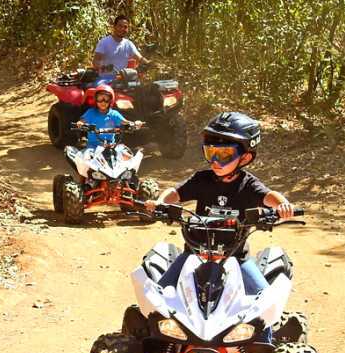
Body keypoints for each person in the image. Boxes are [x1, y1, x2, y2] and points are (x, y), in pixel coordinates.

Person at [145, 111, 294, 294]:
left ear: (245, 158)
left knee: (265, 302)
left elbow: (270, 196)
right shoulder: (201, 179)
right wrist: (161, 202)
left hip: (237, 257)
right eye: (211, 152)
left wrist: (283, 206)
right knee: (157, 295)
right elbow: (175, 192)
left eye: (224, 154)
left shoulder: (248, 184)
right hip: (193, 253)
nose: (215, 161)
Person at [75, 84, 142, 149]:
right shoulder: (91, 112)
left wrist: (135, 124)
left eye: (106, 99)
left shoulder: (114, 114)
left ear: (110, 101)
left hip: (110, 146)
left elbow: (125, 122)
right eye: (100, 99)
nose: (103, 102)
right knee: (87, 157)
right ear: (95, 100)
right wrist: (80, 123)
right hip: (93, 146)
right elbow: (82, 121)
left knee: (125, 156)